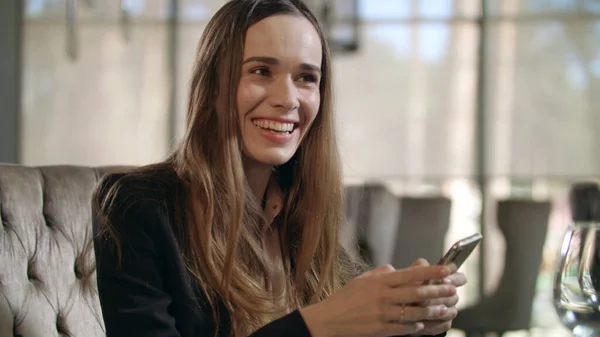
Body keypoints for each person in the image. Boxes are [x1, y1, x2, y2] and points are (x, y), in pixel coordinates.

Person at [92, 0, 467, 336]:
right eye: (260, 71)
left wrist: (412, 322)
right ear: (215, 87)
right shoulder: (136, 205)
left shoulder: (301, 209)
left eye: (306, 78)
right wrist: (320, 323)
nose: (287, 99)